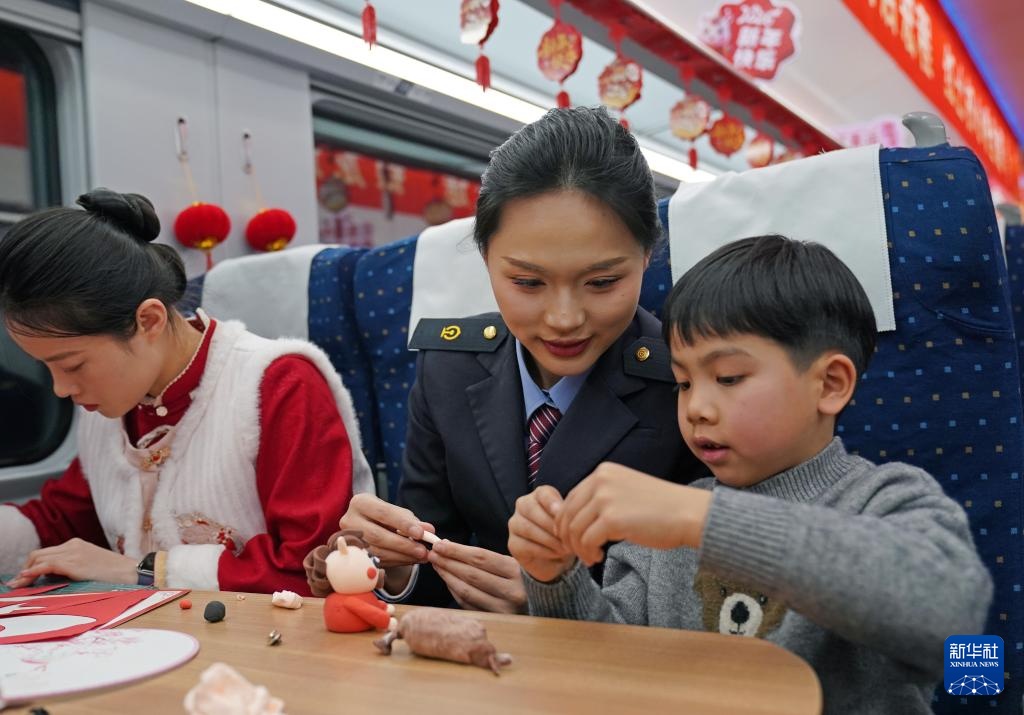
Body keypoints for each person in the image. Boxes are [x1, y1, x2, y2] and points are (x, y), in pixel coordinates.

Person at [509, 235, 992, 713]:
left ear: (830, 384)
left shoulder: (883, 498)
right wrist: (557, 578)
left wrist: (704, 520)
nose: (696, 407)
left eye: (728, 378)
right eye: (683, 383)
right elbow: (611, 671)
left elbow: (954, 615)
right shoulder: (660, 535)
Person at [339, 106, 702, 611]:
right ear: (486, 257)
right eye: (528, 282)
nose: (564, 319)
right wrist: (394, 562)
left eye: (602, 282)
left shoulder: (687, 381)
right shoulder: (449, 369)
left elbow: (703, 597)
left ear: (646, 255)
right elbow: (431, 553)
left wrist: (553, 604)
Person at [0, 189, 374, 594]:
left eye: (73, 365)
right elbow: (66, 517)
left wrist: (145, 571)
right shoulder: (112, 404)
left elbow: (315, 567)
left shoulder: (280, 385)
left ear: (149, 320)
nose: (61, 389)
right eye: (46, 368)